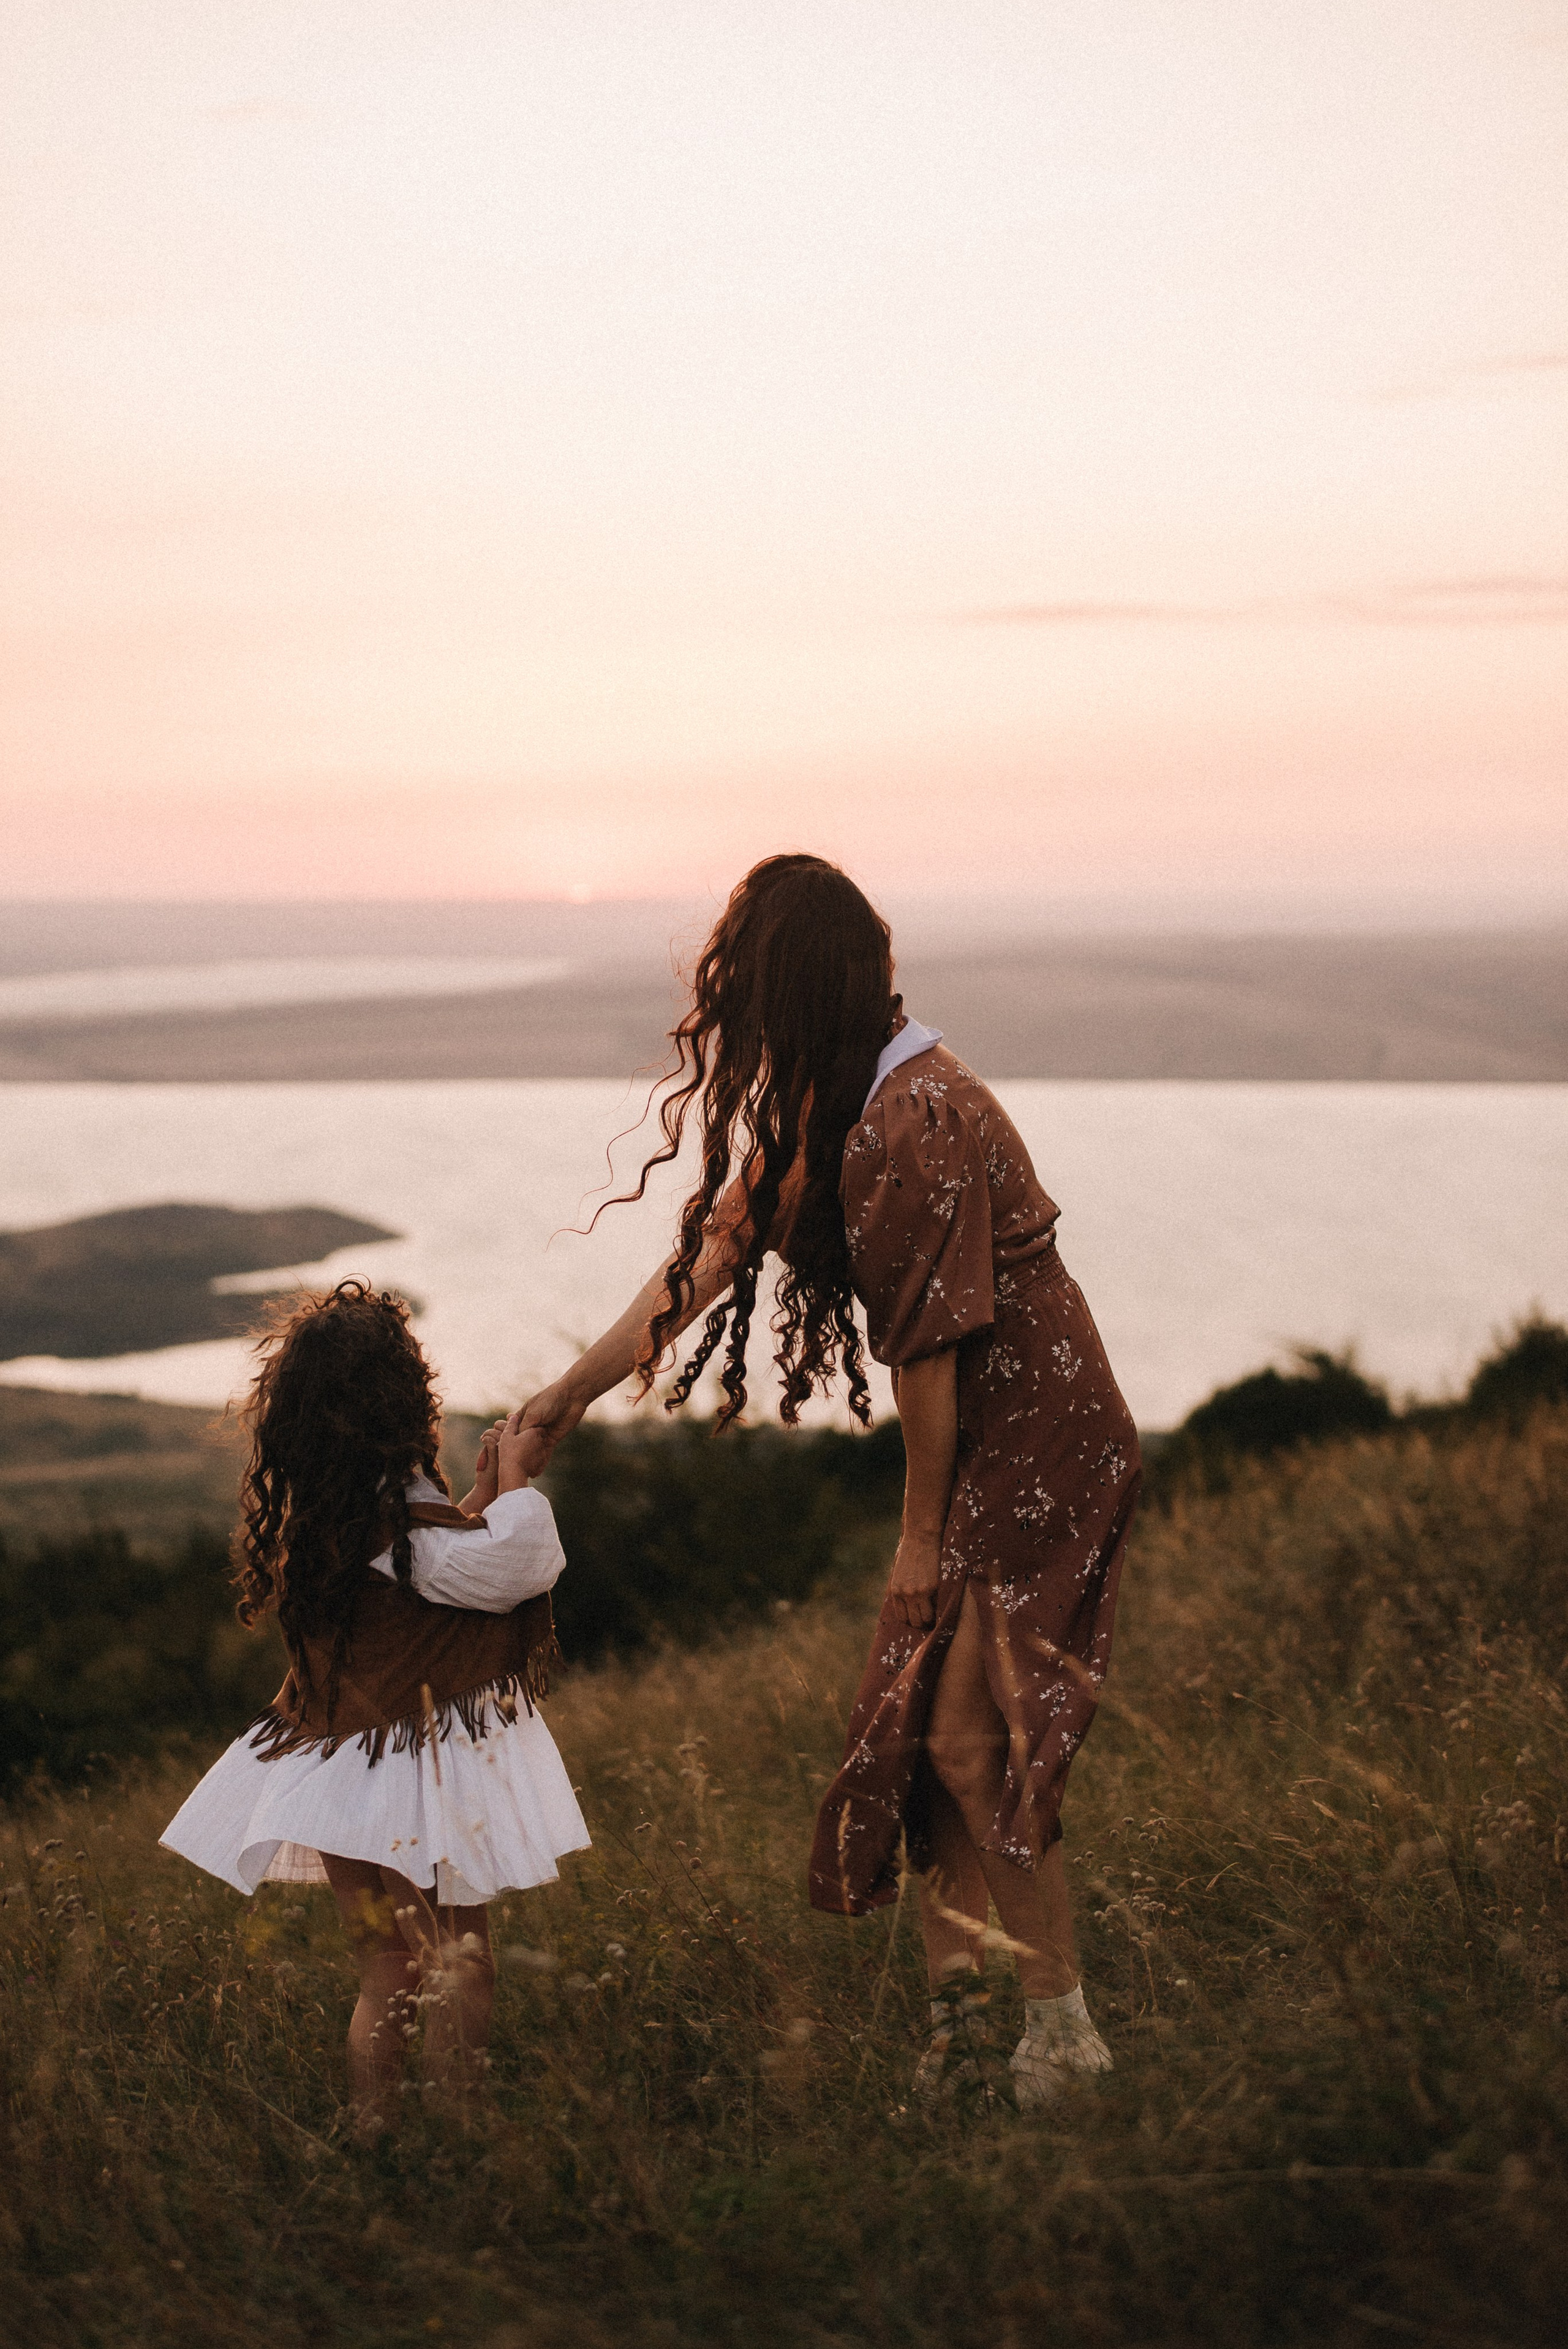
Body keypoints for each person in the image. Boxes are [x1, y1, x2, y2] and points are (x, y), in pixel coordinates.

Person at [519, 853, 1140, 2106]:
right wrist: (564, 1399)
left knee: (966, 1737)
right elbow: (711, 1256)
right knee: (921, 1740)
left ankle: (1063, 2039)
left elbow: (929, 1356)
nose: (738, 1019)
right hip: (990, 1442)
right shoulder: (840, 1096)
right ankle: (963, 2037)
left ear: (792, 988)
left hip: (1039, 1442)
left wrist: (918, 1542)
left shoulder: (915, 1116)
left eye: (751, 990)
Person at [160, 1281, 588, 2135]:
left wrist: (475, 1501)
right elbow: (515, 1566)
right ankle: (458, 2134)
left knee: (387, 1968)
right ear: (405, 1398)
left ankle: (375, 2131)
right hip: (404, 1797)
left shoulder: (335, 1516)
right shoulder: (405, 1529)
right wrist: (511, 1484)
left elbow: (429, 1574)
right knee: (458, 1960)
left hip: (339, 1790)